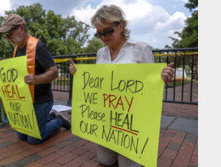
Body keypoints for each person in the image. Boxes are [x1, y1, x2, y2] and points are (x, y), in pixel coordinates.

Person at [69, 5, 174, 167]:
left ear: (121, 26)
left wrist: (162, 78)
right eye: (99, 33)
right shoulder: (100, 53)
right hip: (108, 117)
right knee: (105, 160)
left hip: (132, 119)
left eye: (108, 31)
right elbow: (98, 84)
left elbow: (152, 85)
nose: (103, 37)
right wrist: (77, 73)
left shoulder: (140, 49)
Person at [0, 14, 71, 144]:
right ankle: (49, 118)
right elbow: (16, 75)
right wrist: (1, 78)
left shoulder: (39, 47)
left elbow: (54, 73)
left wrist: (36, 79)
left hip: (42, 100)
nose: (7, 38)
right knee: (21, 136)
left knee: (34, 138)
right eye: (5, 35)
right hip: (26, 101)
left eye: (9, 33)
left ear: (21, 28)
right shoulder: (16, 50)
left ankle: (58, 120)